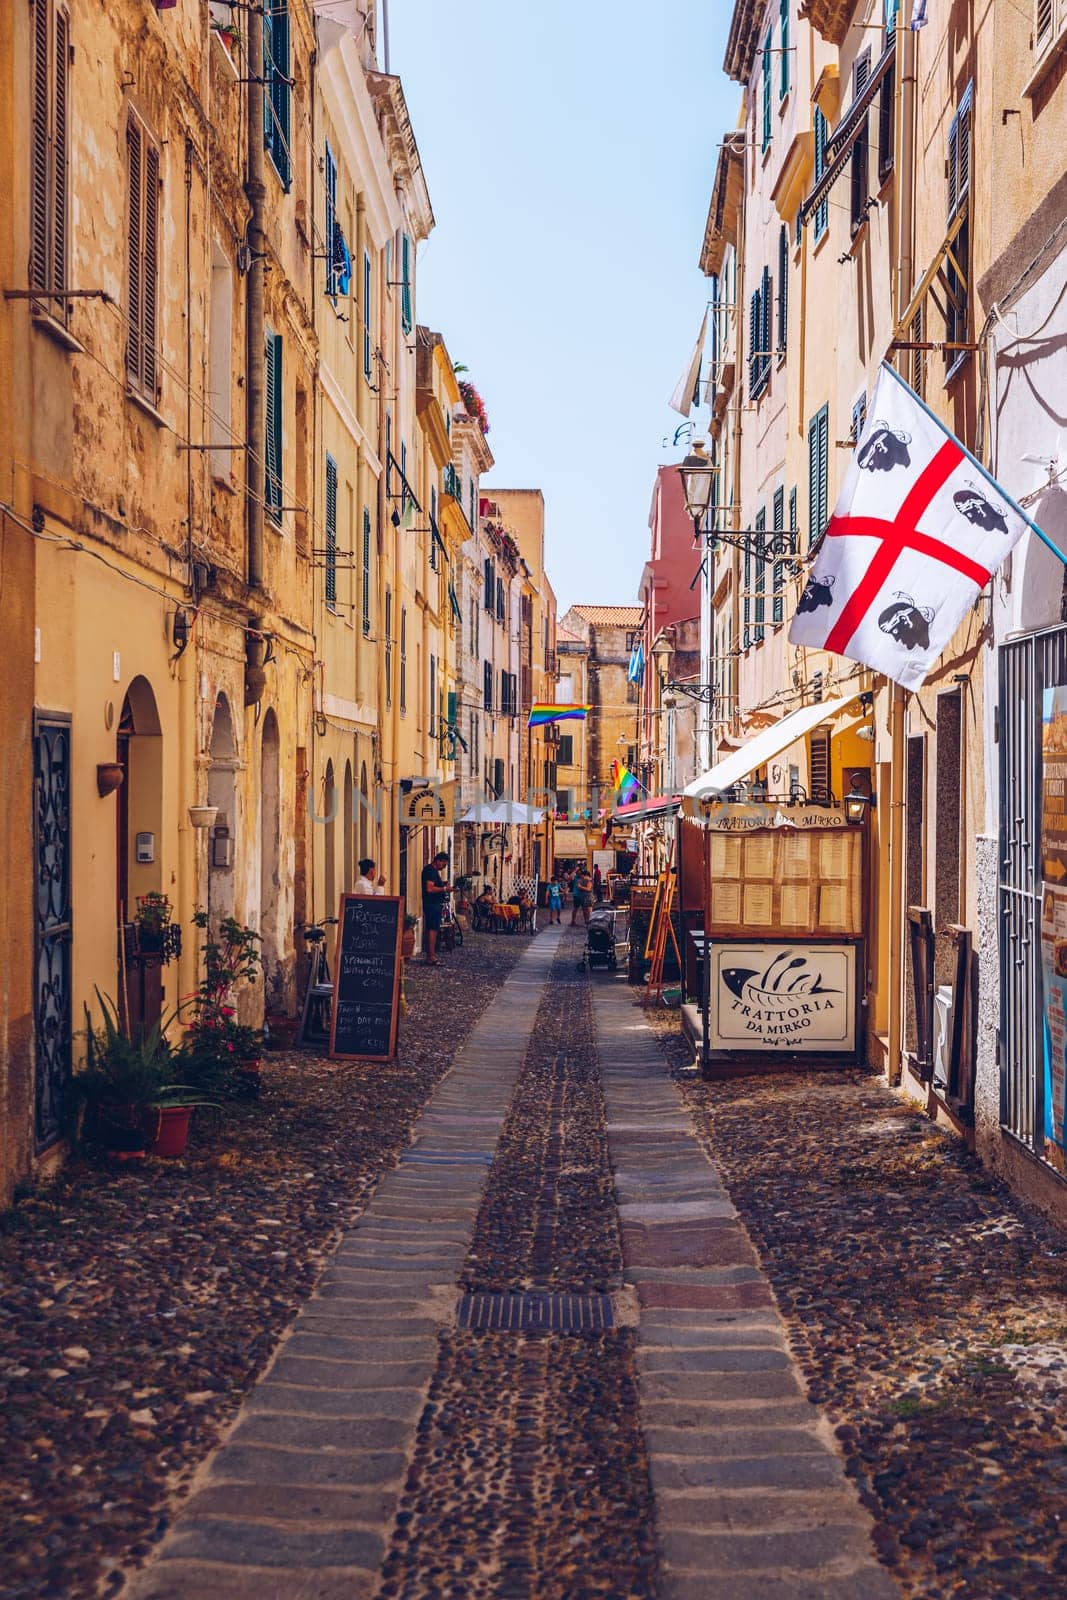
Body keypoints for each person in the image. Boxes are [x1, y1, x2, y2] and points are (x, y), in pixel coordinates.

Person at [421, 851, 451, 965]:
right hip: (432, 904)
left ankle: (431, 955)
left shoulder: (432, 871)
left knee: (433, 929)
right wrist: (444, 889)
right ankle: (431, 957)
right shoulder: (430, 871)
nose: (444, 867)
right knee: (432, 930)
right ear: (438, 861)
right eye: (444, 865)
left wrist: (442, 885)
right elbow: (429, 888)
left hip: (433, 904)